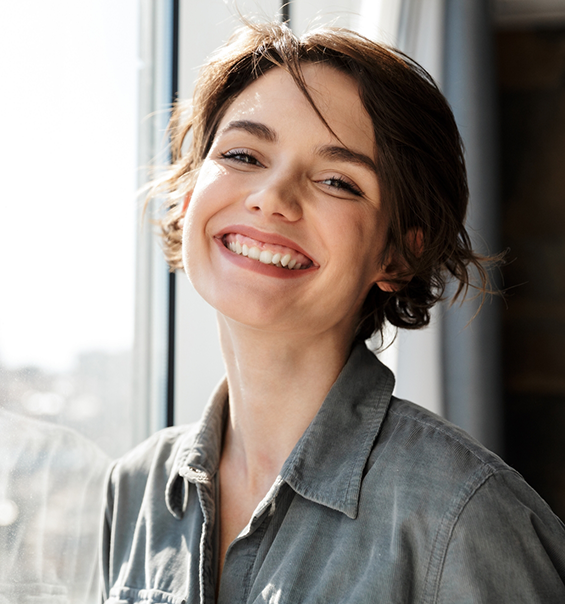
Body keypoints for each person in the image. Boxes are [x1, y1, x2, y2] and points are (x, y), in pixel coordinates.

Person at [100, 21, 565, 603]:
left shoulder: (465, 516)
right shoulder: (135, 489)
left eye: (337, 181)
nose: (272, 196)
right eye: (243, 154)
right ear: (190, 196)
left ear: (397, 253)